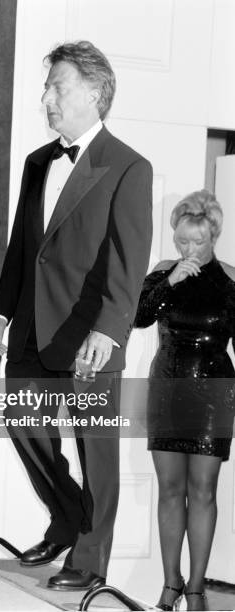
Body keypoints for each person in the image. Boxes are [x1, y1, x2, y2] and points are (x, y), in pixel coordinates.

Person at [0, 41, 153, 590]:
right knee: (27, 428)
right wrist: (0, 312)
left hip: (90, 336)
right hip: (32, 327)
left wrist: (109, 328)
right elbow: (21, 247)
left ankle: (89, 559)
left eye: (58, 86)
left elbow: (130, 258)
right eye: (46, 86)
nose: (46, 97)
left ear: (95, 93)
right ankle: (67, 519)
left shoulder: (129, 166)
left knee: (94, 453)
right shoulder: (39, 162)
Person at [135, 189, 235, 611]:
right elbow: (138, 317)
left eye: (198, 242)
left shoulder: (231, 278)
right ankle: (170, 582)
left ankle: (195, 590)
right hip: (168, 390)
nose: (189, 249)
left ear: (213, 235)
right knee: (170, 489)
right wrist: (171, 280)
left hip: (214, 394)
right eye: (182, 241)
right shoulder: (163, 271)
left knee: (204, 490)